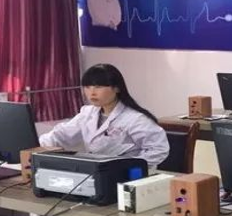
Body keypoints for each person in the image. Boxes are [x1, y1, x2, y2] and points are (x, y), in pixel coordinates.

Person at [39, 64, 169, 167]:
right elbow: (61, 135)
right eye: (87, 87)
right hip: (98, 171)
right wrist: (35, 146)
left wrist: (129, 166)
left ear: (117, 88)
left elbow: (158, 149)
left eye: (98, 87)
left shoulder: (135, 118)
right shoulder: (87, 113)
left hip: (129, 176)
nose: (92, 93)